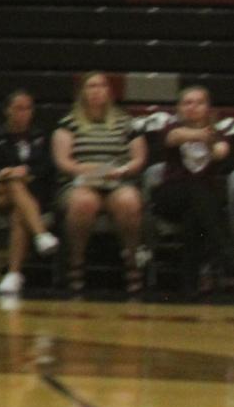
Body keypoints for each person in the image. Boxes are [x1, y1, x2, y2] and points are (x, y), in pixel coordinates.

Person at [53, 70, 148, 296]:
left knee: (129, 202)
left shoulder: (126, 122)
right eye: (91, 86)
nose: (97, 91)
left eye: (101, 86)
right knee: (83, 203)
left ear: (109, 91)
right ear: (82, 92)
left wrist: (122, 170)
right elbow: (62, 161)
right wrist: (86, 169)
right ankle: (76, 262)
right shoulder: (69, 123)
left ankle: (132, 261)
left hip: (117, 180)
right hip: (81, 181)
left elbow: (139, 158)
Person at [145, 85, 232, 296]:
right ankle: (228, 258)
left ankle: (190, 284)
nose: (193, 107)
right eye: (187, 102)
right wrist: (202, 134)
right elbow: (173, 137)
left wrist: (210, 140)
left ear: (208, 107)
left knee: (195, 212)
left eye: (199, 102)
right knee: (197, 192)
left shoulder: (219, 134)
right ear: (179, 108)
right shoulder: (170, 128)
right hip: (170, 196)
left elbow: (221, 153)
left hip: (201, 204)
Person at [0, 89, 60, 299]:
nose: (23, 113)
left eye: (27, 108)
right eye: (18, 108)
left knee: (19, 212)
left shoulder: (41, 135)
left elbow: (48, 167)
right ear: (7, 110)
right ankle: (41, 235)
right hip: (0, 192)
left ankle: (14, 274)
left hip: (32, 195)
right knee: (14, 183)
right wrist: (3, 173)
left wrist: (28, 172)